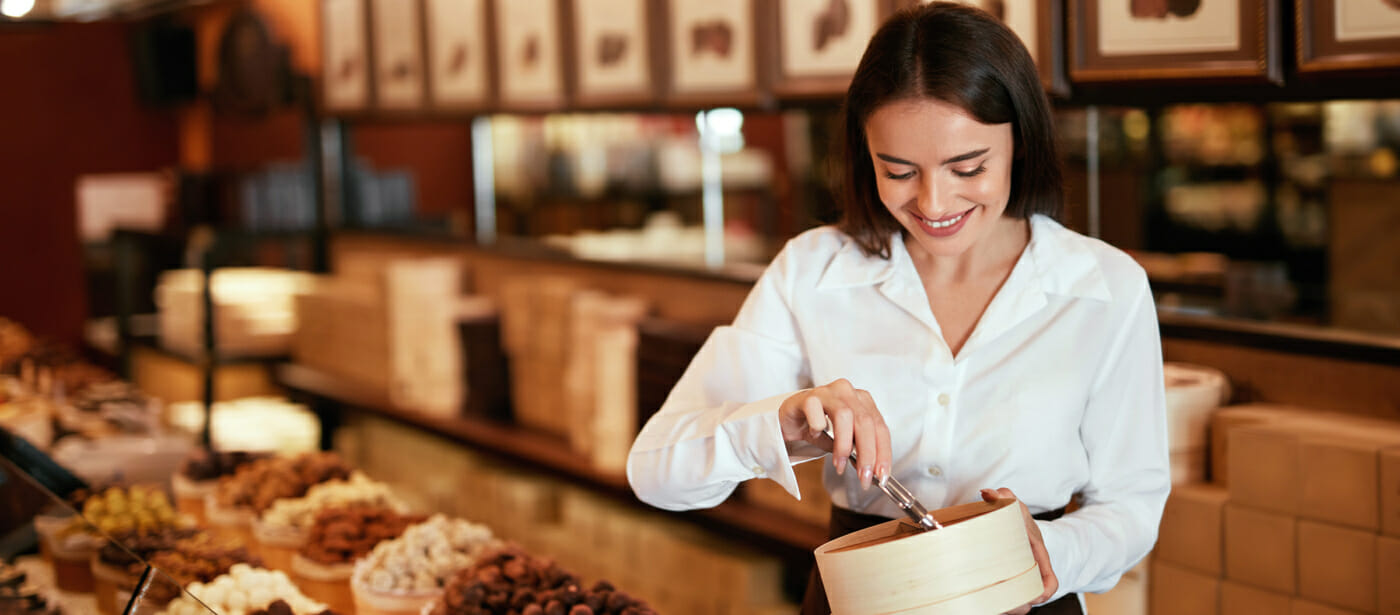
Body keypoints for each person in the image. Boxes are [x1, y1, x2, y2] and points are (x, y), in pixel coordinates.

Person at [626, 3, 1170, 614]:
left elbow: (1133, 502)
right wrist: (781, 423)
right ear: (866, 155)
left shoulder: (1104, 286)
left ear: (1021, 141)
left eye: (968, 167)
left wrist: (1051, 554)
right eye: (899, 170)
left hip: (1025, 597)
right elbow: (655, 470)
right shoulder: (813, 270)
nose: (934, 202)